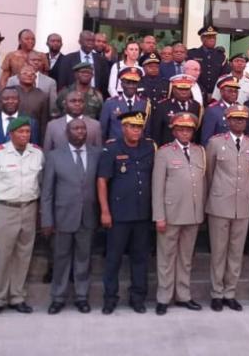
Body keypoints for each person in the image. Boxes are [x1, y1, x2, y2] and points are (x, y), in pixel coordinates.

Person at [0, 116, 44, 317]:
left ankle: (17, 296)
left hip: (29, 207)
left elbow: (41, 184)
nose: (25, 135)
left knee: (23, 255)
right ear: (11, 134)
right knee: (3, 255)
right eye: (20, 132)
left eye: (27, 131)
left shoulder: (38, 153)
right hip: (4, 208)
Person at [98, 111, 156, 314]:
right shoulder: (112, 148)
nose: (136, 131)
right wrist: (105, 211)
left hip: (142, 214)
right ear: (123, 128)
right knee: (113, 259)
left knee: (140, 258)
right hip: (119, 214)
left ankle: (138, 298)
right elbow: (102, 181)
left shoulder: (149, 147)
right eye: (132, 127)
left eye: (139, 127)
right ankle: (110, 298)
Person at [41, 119, 99, 314]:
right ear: (67, 133)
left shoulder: (97, 154)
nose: (80, 131)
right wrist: (47, 219)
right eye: (75, 128)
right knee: (61, 258)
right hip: (62, 217)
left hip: (88, 216)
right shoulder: (54, 156)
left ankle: (82, 297)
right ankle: (58, 297)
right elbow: (47, 192)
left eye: (83, 128)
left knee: (84, 258)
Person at [204, 104, 249, 312]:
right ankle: (216, 293)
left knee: (236, 253)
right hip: (219, 204)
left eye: (242, 119)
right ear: (227, 120)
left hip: (242, 205)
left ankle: (230, 292)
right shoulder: (216, 143)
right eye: (235, 119)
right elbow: (209, 173)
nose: (239, 122)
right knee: (219, 252)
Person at [152, 112, 206, 315]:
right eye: (181, 129)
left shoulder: (200, 151)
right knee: (166, 258)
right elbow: (157, 187)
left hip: (192, 214)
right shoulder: (164, 153)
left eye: (189, 129)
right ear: (174, 131)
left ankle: (183, 295)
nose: (185, 133)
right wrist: (159, 216)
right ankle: (163, 297)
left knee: (186, 258)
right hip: (171, 214)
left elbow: (203, 183)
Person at [100, 67, 150, 142]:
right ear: (122, 84)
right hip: (116, 148)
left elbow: (147, 131)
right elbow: (103, 130)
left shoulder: (144, 104)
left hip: (137, 148)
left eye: (134, 83)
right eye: (128, 82)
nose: (131, 86)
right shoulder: (110, 103)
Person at [151, 74, 202, 145]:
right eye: (180, 89)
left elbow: (197, 131)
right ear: (173, 89)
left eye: (187, 89)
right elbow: (156, 132)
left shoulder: (196, 106)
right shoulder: (162, 106)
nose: (184, 92)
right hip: (168, 148)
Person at [58, 30, 109, 97]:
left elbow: (105, 84)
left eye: (93, 41)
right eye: (87, 40)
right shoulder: (68, 59)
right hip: (73, 99)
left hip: (95, 99)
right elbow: (62, 82)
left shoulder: (102, 60)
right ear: (80, 42)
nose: (90, 43)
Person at [187, 26, 229, 98]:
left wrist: (215, 93)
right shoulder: (192, 54)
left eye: (214, 37)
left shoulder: (221, 56)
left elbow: (224, 76)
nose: (212, 39)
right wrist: (202, 91)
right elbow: (190, 75)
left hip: (216, 95)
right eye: (209, 37)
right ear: (202, 39)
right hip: (197, 93)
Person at [200, 75, 239, 143]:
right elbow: (207, 139)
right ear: (221, 92)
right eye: (230, 91)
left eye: (235, 91)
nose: (233, 94)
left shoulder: (240, 109)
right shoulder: (212, 110)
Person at [14, 64, 50, 137]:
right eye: (25, 73)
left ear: (35, 77)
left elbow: (44, 121)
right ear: (18, 76)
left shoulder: (42, 95)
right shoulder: (10, 92)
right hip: (12, 131)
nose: (29, 75)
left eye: (32, 74)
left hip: (34, 133)